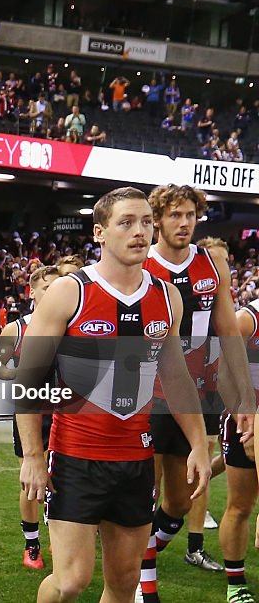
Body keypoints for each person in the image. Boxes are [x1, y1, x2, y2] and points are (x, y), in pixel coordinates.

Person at [17, 186, 211, 603]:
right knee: (71, 581)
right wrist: (33, 456)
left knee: (123, 587)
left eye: (145, 221)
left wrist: (198, 443)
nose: (139, 231)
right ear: (100, 233)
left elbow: (176, 378)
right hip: (75, 458)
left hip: (135, 460)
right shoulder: (71, 291)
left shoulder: (167, 297)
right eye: (126, 222)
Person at [137, 185, 255, 601]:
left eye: (190, 215)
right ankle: (143, 586)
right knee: (142, 493)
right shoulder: (140, 263)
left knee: (181, 501)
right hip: (146, 393)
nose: (184, 222)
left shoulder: (211, 266)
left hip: (196, 396)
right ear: (157, 220)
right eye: (174, 215)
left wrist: (243, 399)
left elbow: (228, 334)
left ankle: (138, 555)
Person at [0, 264, 61, 570]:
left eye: (59, 287)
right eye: (47, 288)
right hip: (31, 414)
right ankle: (32, 545)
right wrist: (22, 373)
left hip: (67, 414)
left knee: (67, 480)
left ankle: (67, 537)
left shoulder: (73, 325)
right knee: (31, 482)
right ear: (32, 292)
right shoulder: (16, 329)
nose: (54, 294)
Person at [216, 297, 259, 603]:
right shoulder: (249, 318)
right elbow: (219, 371)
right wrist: (246, 413)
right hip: (245, 421)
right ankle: (235, 583)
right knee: (241, 505)